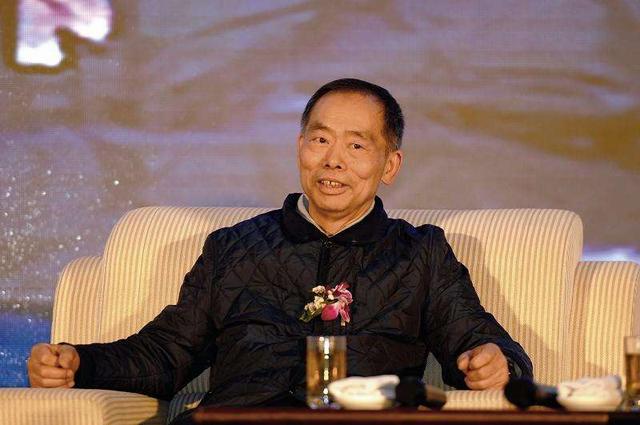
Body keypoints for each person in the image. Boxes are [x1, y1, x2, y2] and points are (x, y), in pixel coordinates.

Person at [28, 78, 533, 422]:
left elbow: (480, 341)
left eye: (357, 146)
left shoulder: (421, 253)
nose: (333, 161)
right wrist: (78, 364)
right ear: (300, 147)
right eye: (320, 140)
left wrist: (496, 363)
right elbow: (167, 355)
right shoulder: (234, 247)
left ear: (390, 165)